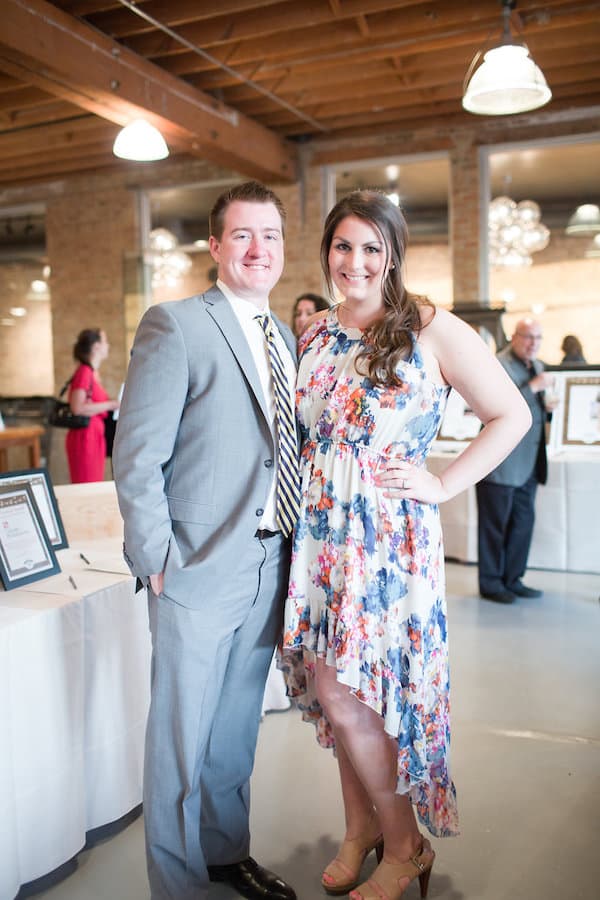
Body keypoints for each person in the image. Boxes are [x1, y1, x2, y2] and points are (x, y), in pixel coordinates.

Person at [280, 190, 531, 900]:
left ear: (392, 256)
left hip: (386, 541)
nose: (355, 261)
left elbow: (510, 416)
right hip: (320, 536)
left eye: (371, 248)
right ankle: (359, 829)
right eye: (343, 246)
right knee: (336, 692)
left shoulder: (431, 327)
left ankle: (404, 845)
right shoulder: (315, 333)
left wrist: (444, 483)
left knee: (355, 693)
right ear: (327, 251)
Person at [113, 181, 297, 900]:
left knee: (235, 727)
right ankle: (177, 882)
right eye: (243, 235)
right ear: (216, 245)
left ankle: (225, 852)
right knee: (181, 737)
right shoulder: (176, 324)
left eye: (270, 236)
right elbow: (137, 454)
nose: (258, 249)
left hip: (269, 559)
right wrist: (154, 556)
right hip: (194, 564)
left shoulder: (285, 338)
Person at [476, 318, 557, 604]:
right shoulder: (497, 364)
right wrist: (533, 387)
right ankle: (491, 584)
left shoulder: (538, 366)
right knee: (494, 526)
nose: (534, 343)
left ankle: (513, 579)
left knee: (522, 524)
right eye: (528, 337)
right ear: (514, 336)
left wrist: (548, 408)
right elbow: (491, 406)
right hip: (500, 461)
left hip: (530, 462)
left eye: (539, 338)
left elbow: (532, 412)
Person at [65, 328, 119, 483]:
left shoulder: (91, 372)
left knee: (93, 482)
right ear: (96, 347)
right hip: (85, 437)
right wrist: (110, 405)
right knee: (87, 483)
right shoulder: (85, 371)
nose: (108, 345)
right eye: (105, 341)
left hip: (94, 436)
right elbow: (77, 407)